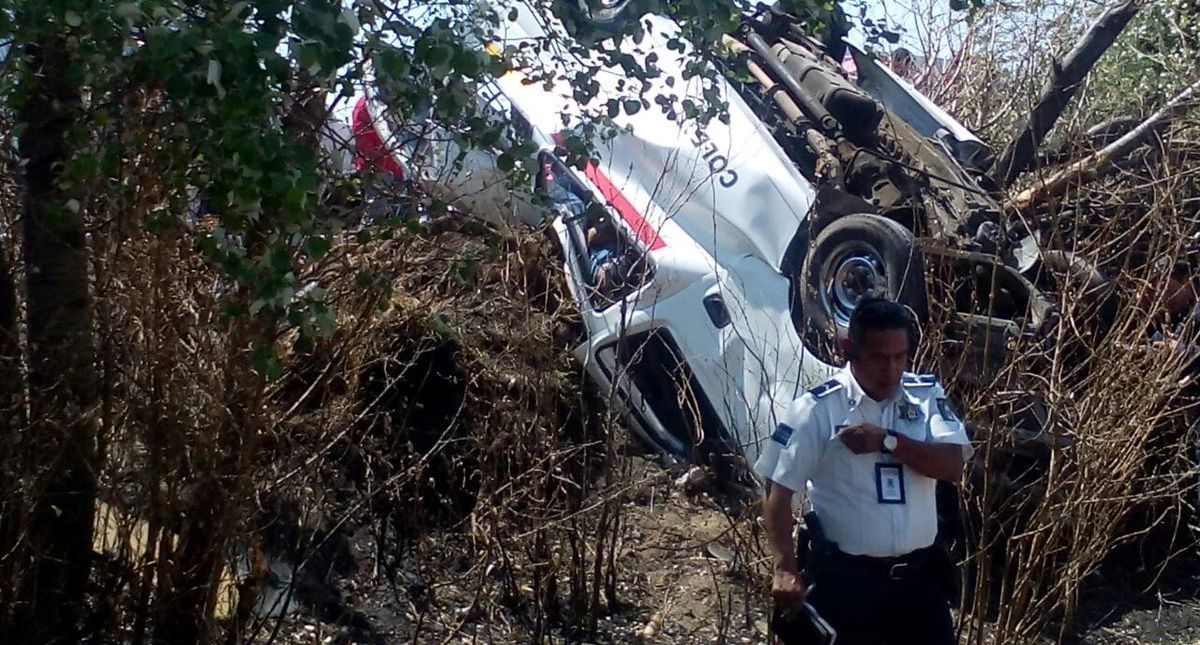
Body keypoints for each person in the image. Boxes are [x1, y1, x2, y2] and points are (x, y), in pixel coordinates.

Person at [756, 297, 972, 645]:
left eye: (900, 357)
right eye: (879, 357)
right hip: (849, 584)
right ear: (850, 349)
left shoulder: (924, 397)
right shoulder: (818, 408)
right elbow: (777, 486)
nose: (891, 369)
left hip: (920, 584)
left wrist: (889, 442)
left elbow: (952, 465)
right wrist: (784, 567)